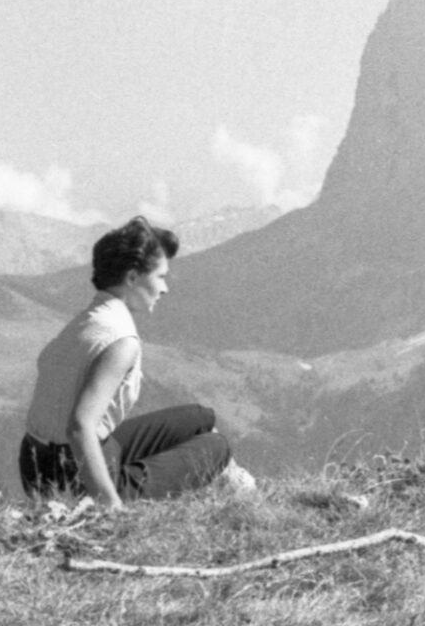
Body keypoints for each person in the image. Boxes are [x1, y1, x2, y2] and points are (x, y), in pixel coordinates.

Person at [18, 217, 256, 510]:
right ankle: (236, 496)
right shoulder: (121, 342)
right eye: (160, 277)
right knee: (217, 447)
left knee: (200, 416)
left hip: (39, 463)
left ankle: (230, 489)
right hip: (73, 480)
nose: (165, 288)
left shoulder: (87, 321)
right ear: (132, 277)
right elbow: (80, 427)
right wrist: (109, 503)